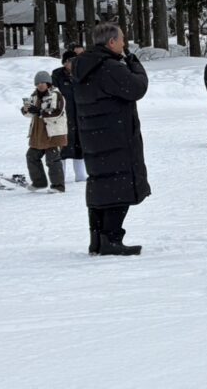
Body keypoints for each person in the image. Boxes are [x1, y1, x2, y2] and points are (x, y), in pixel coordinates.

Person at [71, 23, 150, 256]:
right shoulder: (109, 67)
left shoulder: (83, 66)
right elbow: (137, 88)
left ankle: (97, 238)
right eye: (122, 39)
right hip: (116, 136)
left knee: (101, 184)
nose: (124, 43)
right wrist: (134, 63)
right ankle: (111, 239)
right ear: (112, 42)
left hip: (94, 136)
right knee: (119, 186)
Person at [21, 69, 68, 193]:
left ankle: (58, 186)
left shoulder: (56, 95)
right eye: (38, 83)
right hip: (38, 132)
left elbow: (57, 112)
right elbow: (30, 115)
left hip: (53, 133)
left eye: (43, 82)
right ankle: (39, 183)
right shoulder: (34, 95)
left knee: (52, 159)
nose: (40, 85)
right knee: (31, 156)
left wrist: (40, 112)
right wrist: (25, 110)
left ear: (48, 83)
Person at [53, 50, 86, 183]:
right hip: (62, 117)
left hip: (80, 115)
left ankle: (81, 175)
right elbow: (53, 95)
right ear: (65, 62)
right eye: (70, 61)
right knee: (62, 147)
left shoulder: (82, 74)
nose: (72, 63)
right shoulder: (57, 75)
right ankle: (60, 176)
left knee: (80, 146)